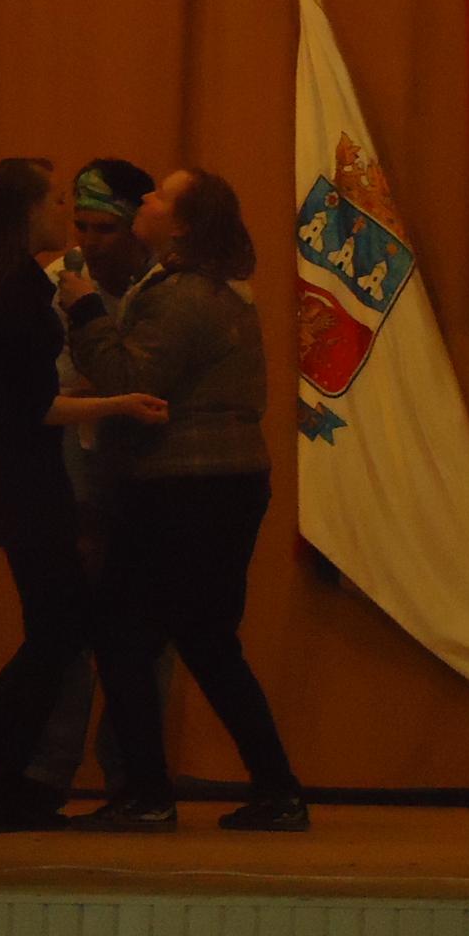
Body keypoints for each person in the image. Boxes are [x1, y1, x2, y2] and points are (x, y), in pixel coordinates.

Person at [59, 167, 309, 832]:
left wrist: (83, 309)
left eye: (161, 196)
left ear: (184, 226)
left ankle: (148, 794)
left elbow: (129, 378)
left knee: (122, 633)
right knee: (206, 641)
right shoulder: (212, 287)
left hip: (183, 487)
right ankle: (275, 790)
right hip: (222, 483)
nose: (146, 198)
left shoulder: (182, 297)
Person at [0, 156, 168, 827]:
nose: (66, 216)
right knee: (60, 632)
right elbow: (35, 403)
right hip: (24, 476)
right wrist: (120, 402)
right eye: (59, 201)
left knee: (57, 631)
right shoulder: (14, 287)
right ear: (27, 209)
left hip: (14, 471)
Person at [17, 159, 172, 806]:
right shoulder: (56, 283)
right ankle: (48, 772)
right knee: (64, 630)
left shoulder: (166, 287)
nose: (88, 241)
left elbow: (155, 386)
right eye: (80, 225)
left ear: (136, 226)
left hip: (150, 483)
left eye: (104, 228)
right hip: (72, 478)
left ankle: (133, 775)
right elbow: (52, 394)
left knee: (144, 639)